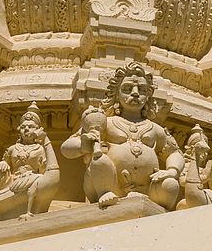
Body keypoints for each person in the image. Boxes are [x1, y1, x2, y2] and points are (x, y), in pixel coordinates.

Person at [62, 61, 183, 210]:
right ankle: (105, 193)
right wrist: (84, 145)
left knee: (171, 184)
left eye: (142, 90)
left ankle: (161, 211)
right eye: (127, 88)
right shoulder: (105, 122)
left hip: (148, 190)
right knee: (100, 161)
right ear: (116, 94)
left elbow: (174, 152)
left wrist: (172, 170)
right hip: (110, 186)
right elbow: (66, 148)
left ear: (148, 97)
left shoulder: (155, 129)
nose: (135, 93)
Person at [0, 102, 60, 218]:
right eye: (23, 127)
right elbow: (5, 160)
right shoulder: (12, 149)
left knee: (40, 178)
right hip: (13, 180)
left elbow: (44, 169)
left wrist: (43, 164)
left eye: (30, 127)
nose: (26, 129)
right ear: (19, 129)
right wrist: (3, 163)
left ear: (37, 130)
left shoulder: (40, 148)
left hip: (32, 179)